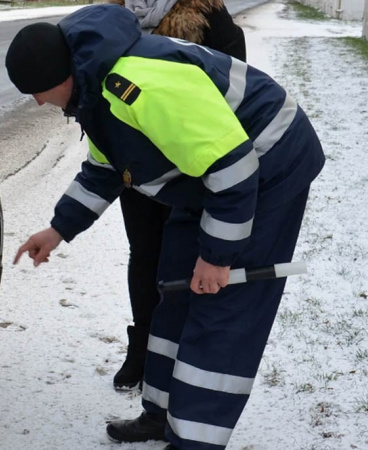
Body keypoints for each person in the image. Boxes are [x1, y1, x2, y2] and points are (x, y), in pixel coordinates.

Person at [5, 4, 324, 449]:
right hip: (205, 177)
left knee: (220, 305)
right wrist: (58, 230)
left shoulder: (137, 85)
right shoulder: (95, 89)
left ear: (60, 78)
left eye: (36, 92)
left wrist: (217, 258)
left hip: (266, 164)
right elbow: (105, 169)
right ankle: (160, 415)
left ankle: (194, 441)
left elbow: (235, 170)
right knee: (173, 286)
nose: (37, 103)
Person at [104, 0, 248, 391]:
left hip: (188, 165)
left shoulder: (205, 13)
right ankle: (142, 350)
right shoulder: (111, 17)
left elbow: (233, 79)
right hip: (133, 161)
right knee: (144, 253)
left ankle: (182, 351)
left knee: (182, 257)